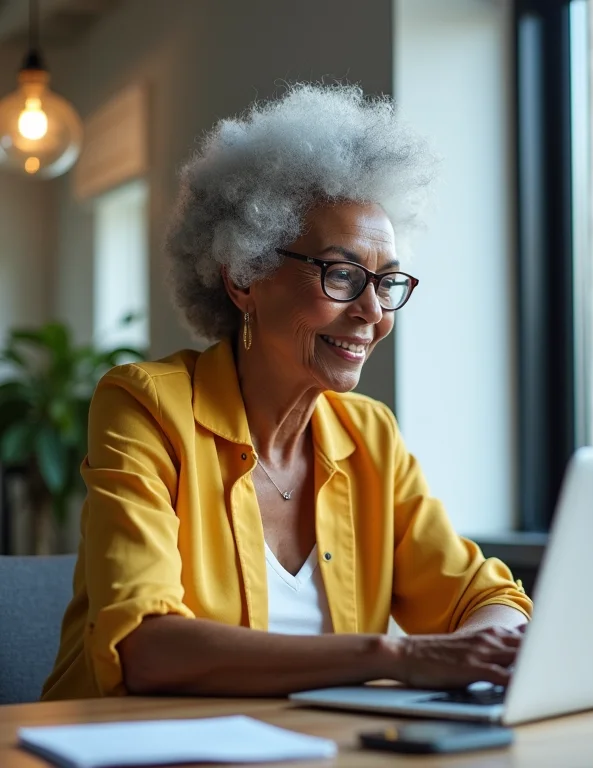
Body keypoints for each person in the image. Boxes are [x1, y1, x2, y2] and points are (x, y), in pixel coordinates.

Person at [42, 84, 532, 701]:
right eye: (343, 274)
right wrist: (398, 655)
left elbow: (486, 598)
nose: (373, 311)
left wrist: (494, 647)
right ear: (243, 278)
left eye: (387, 282)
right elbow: (147, 649)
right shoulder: (146, 405)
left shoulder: (368, 434)